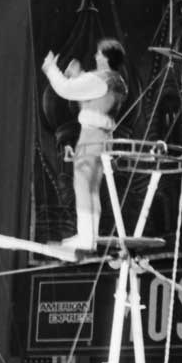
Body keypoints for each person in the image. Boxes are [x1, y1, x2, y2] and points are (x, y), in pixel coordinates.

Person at [42, 38, 128, 250]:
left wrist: (51, 69)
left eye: (99, 53)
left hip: (92, 137)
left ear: (106, 57)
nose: (96, 56)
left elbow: (66, 89)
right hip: (103, 138)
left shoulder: (100, 78)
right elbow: (90, 100)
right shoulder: (117, 82)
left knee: (82, 186)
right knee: (91, 189)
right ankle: (89, 237)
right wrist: (78, 75)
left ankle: (86, 238)